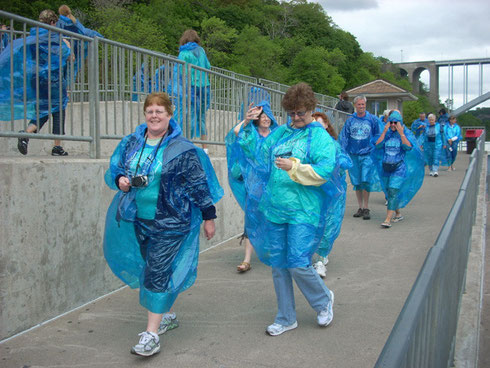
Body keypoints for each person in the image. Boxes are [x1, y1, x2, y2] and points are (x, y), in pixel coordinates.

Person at [103, 92, 223, 357]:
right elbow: (115, 171)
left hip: (172, 220)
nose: (154, 116)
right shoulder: (132, 142)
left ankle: (151, 335)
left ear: (170, 115)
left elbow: (198, 185)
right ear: (144, 115)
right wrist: (121, 179)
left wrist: (209, 217)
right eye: (150, 111)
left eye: (160, 111)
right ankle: (166, 315)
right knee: (153, 268)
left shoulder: (182, 149)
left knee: (156, 272)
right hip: (139, 218)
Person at [237, 83, 347, 336]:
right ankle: (286, 317)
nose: (296, 118)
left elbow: (324, 170)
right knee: (279, 264)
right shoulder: (282, 133)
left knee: (298, 263)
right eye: (292, 113)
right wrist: (247, 125)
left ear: (311, 109)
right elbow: (259, 153)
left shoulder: (318, 136)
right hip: (276, 208)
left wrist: (295, 167)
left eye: (301, 113)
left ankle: (322, 300)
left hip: (303, 209)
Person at [1, 10, 72, 156]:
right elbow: (70, 58)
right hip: (54, 81)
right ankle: (51, 144)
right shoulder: (57, 40)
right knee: (58, 110)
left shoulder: (33, 38)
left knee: (44, 108)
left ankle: (28, 135)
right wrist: (68, 46)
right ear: (53, 23)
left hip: (37, 80)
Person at [226, 101, 278, 273]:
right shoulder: (252, 134)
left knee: (272, 218)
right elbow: (236, 132)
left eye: (267, 116)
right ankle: (247, 259)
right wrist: (247, 120)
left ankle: (273, 251)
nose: (266, 119)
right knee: (251, 219)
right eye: (262, 117)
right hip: (254, 184)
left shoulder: (277, 135)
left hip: (272, 184)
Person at [374, 111, 425, 228]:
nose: (393, 124)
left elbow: (408, 147)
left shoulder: (405, 134)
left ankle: (387, 219)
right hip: (386, 168)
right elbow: (377, 145)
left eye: (395, 122)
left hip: (398, 168)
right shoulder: (386, 134)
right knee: (389, 193)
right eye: (391, 122)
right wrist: (385, 131)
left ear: (400, 123)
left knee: (392, 190)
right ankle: (397, 213)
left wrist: (401, 133)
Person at [339, 95, 382, 220]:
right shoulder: (350, 120)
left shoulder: (372, 119)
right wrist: (343, 152)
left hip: (367, 154)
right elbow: (344, 137)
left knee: (365, 180)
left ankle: (366, 207)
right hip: (353, 155)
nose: (361, 106)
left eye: (363, 104)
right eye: (359, 104)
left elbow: (377, 135)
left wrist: (375, 148)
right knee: (357, 182)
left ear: (365, 105)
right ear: (355, 105)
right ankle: (360, 207)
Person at [175, 29, 211, 150]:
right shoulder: (201, 51)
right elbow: (208, 66)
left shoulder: (183, 53)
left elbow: (180, 72)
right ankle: (205, 148)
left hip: (190, 87)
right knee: (201, 116)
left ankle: (188, 145)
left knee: (188, 115)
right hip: (204, 86)